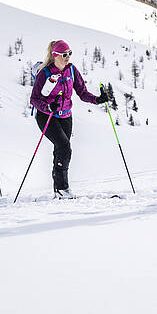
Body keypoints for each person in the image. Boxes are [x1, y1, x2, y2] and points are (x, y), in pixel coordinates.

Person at [30, 39, 101, 199]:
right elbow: (34, 99)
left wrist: (98, 99)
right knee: (64, 147)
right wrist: (47, 107)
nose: (67, 57)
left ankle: (58, 190)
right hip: (46, 116)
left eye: (69, 53)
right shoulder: (45, 73)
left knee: (60, 150)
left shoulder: (72, 70)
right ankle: (63, 188)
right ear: (55, 55)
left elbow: (82, 92)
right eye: (64, 54)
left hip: (66, 116)